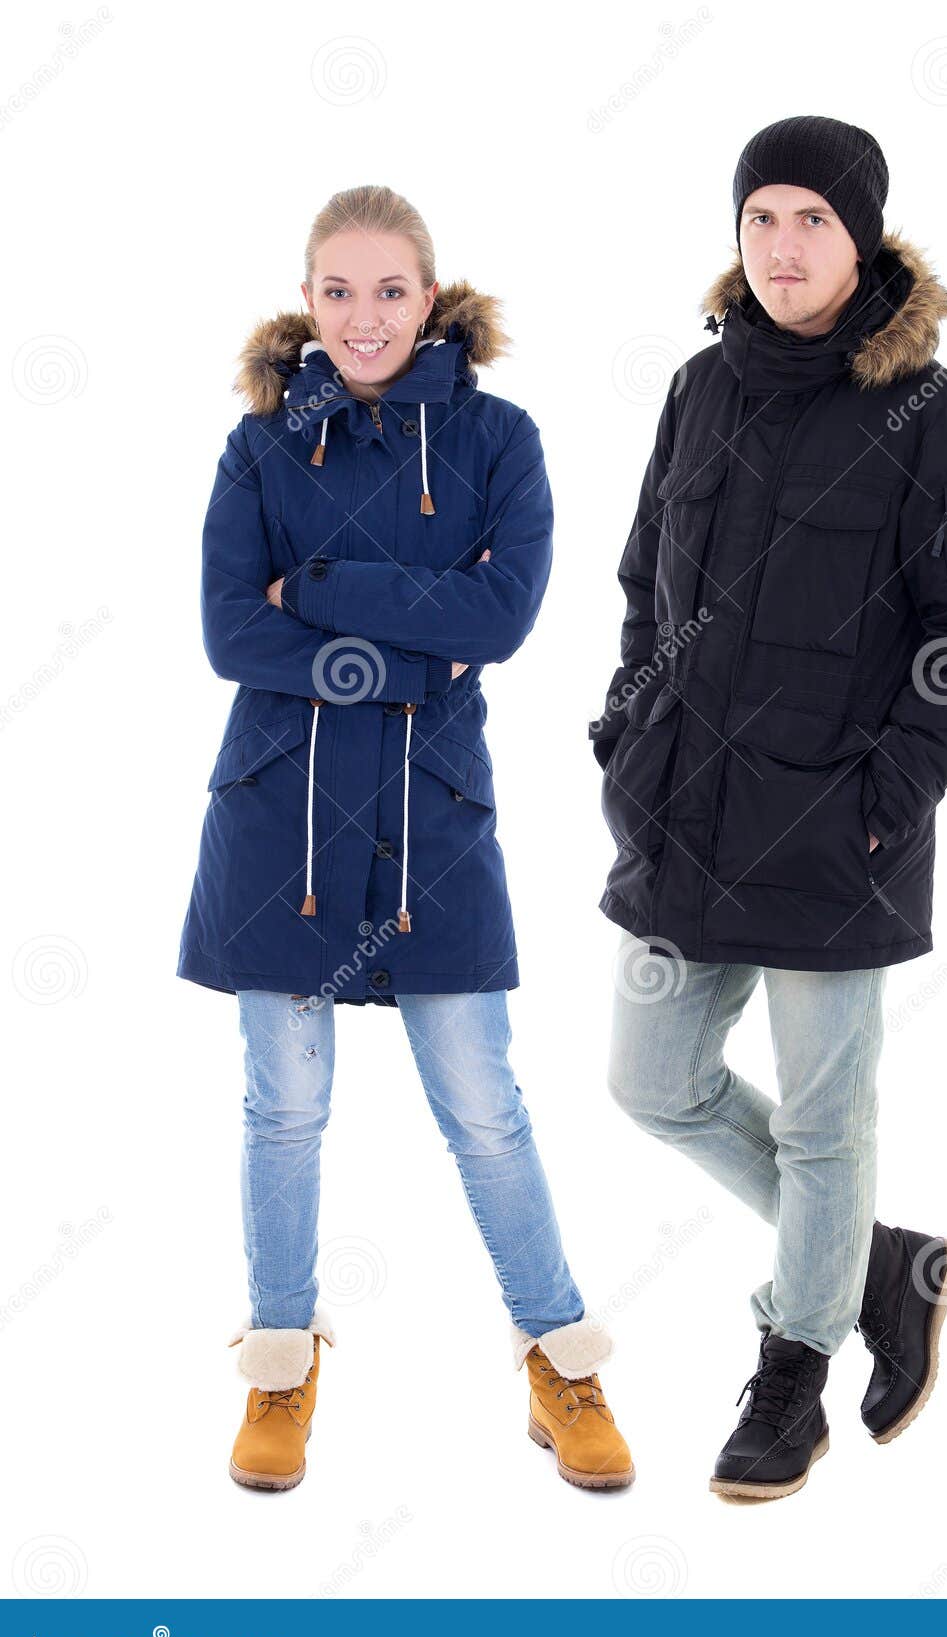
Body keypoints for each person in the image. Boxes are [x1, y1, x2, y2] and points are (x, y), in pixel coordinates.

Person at [594, 117, 947, 1500]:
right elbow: (637, 587)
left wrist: (890, 796)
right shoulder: (696, 388)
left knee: (830, 1122)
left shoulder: (933, 416)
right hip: (684, 813)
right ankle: (876, 1258)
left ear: (865, 238)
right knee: (651, 1080)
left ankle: (797, 1372)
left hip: (842, 833)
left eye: (814, 223)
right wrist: (625, 733)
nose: (785, 247)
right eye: (763, 218)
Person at [179, 185, 632, 1493]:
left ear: (430, 296)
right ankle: (280, 1365)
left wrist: (315, 592)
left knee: (485, 1108)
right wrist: (403, 651)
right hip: (282, 815)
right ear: (306, 301)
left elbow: (497, 616)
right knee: (285, 1106)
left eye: (389, 290)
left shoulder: (499, 437)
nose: (363, 316)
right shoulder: (261, 445)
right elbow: (225, 632)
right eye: (338, 291)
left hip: (434, 818)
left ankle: (561, 1355)